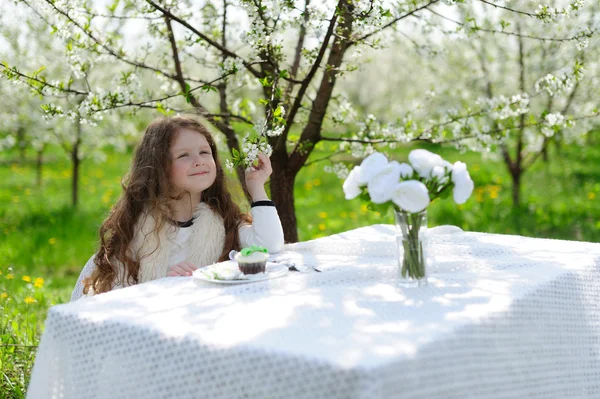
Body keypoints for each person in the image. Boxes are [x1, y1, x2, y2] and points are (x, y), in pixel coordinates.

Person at [70, 116, 284, 301]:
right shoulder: (137, 231)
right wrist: (165, 287)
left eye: (204, 152)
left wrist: (256, 187)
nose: (199, 161)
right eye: (184, 155)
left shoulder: (223, 221)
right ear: (159, 167)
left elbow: (270, 245)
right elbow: (115, 299)